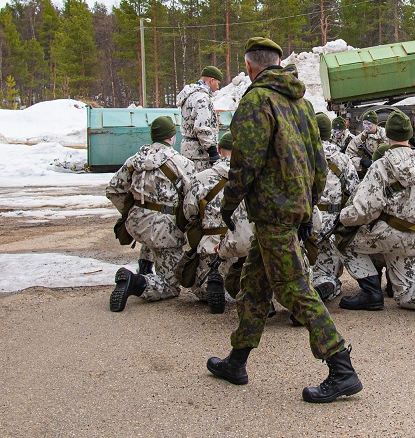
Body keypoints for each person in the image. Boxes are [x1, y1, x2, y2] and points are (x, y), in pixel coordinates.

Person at [207, 36, 362, 404]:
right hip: (289, 211)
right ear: (278, 63)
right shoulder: (302, 104)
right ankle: (237, 360)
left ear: (249, 67)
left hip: (272, 213)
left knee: (295, 289)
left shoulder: (256, 101)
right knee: (255, 286)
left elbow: (244, 162)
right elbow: (318, 164)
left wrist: (229, 204)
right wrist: (307, 208)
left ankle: (341, 367)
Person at [336, 112, 415, 321]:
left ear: (389, 137)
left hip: (383, 235)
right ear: (408, 135)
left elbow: (364, 210)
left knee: (342, 240)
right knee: (406, 296)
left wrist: (342, 218)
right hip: (413, 237)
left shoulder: (381, 165)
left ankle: (371, 292)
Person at [106, 115, 196, 312]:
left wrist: (130, 211)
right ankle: (136, 282)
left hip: (137, 224)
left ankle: (145, 266)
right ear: (172, 137)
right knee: (171, 286)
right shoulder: (182, 163)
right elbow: (194, 197)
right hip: (165, 230)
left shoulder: (134, 160)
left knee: (150, 235)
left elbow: (113, 189)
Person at [181, 131, 245, 314]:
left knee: (201, 291)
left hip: (209, 249)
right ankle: (245, 291)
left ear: (219, 149)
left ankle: (214, 283)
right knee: (249, 284)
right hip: (240, 247)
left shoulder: (201, 178)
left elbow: (188, 213)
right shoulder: (250, 178)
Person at [309, 112, 359, 302]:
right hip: (332, 224)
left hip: (306, 221)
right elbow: (354, 190)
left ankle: (304, 289)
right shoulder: (342, 159)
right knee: (328, 267)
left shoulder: (302, 156)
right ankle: (327, 283)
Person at [177, 66, 223, 172]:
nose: (217, 86)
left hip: (188, 152)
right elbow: (202, 127)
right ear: (212, 80)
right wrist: (213, 152)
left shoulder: (189, 95)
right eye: (218, 83)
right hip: (199, 155)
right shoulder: (202, 98)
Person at [347, 110, 387, 176]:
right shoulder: (360, 138)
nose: (366, 126)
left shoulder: (385, 136)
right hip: (367, 172)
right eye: (364, 123)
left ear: (375, 124)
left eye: (369, 124)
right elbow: (348, 156)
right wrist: (361, 161)